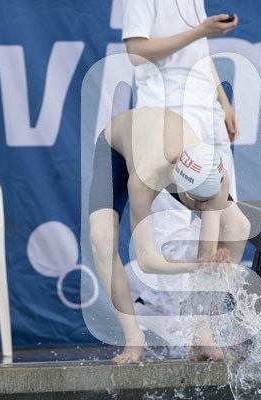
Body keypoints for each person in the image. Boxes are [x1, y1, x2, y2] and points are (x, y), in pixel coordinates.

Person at [89, 107, 250, 363]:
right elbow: (147, 261)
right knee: (101, 237)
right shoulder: (144, 179)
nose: (202, 208)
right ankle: (133, 339)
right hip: (117, 148)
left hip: (171, 146)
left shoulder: (217, 178)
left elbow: (206, 254)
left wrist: (211, 262)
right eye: (196, 201)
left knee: (238, 226)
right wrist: (198, 266)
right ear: (178, 183)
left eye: (207, 201)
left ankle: (203, 335)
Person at [122, 0, 240, 344]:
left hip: (208, 110)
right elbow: (137, 52)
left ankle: (206, 324)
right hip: (169, 107)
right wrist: (201, 30)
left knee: (225, 217)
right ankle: (174, 324)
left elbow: (199, 51)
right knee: (171, 221)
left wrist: (222, 100)